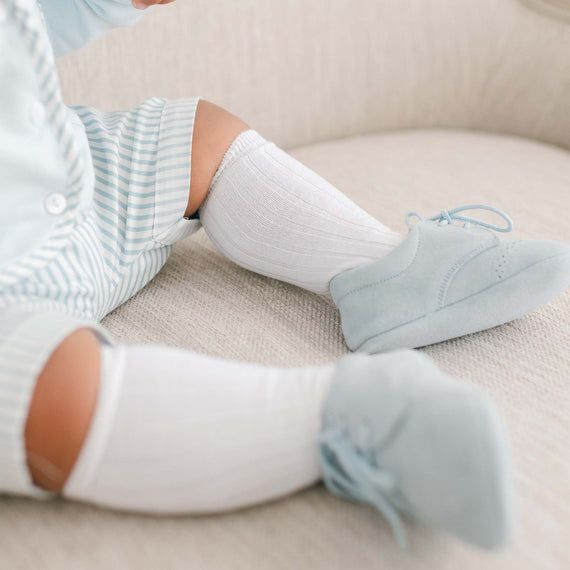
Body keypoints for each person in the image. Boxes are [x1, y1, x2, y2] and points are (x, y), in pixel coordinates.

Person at [2, 0, 569, 553]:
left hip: (65, 178)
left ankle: (382, 272)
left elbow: (38, 25)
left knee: (199, 135)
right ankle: (347, 416)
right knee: (59, 402)